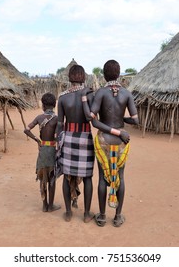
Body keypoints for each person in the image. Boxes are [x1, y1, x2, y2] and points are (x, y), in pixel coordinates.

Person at [82, 59, 139, 227]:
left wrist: (85, 99)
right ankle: (118, 216)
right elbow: (136, 120)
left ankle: (101, 216)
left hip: (103, 141)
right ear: (119, 74)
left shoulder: (100, 93)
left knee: (102, 179)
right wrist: (121, 122)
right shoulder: (127, 93)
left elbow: (93, 121)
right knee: (120, 177)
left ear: (104, 75)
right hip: (122, 141)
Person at [56, 64, 95, 223]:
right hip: (85, 137)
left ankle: (68, 213)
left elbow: (60, 124)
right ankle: (86, 214)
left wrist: (58, 143)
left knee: (67, 176)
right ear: (84, 77)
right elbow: (93, 117)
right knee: (88, 177)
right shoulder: (90, 95)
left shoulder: (63, 98)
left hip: (69, 138)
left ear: (69, 78)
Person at [24, 92, 61, 213]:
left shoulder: (39, 118)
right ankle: (51, 206)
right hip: (52, 150)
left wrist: (37, 140)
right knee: (52, 178)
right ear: (54, 105)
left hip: (42, 150)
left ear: (43, 106)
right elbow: (58, 136)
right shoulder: (57, 119)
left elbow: (27, 129)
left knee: (42, 178)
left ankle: (44, 206)